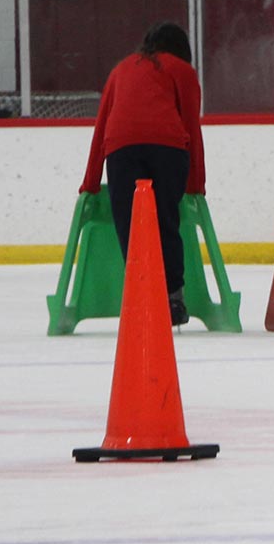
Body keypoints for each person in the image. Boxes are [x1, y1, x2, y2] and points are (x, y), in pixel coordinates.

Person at [80, 21, 206, 326]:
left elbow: (101, 128)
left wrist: (91, 182)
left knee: (130, 226)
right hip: (168, 148)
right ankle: (173, 297)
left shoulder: (121, 70)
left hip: (122, 148)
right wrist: (196, 183)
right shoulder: (183, 71)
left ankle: (141, 295)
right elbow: (191, 127)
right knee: (166, 220)